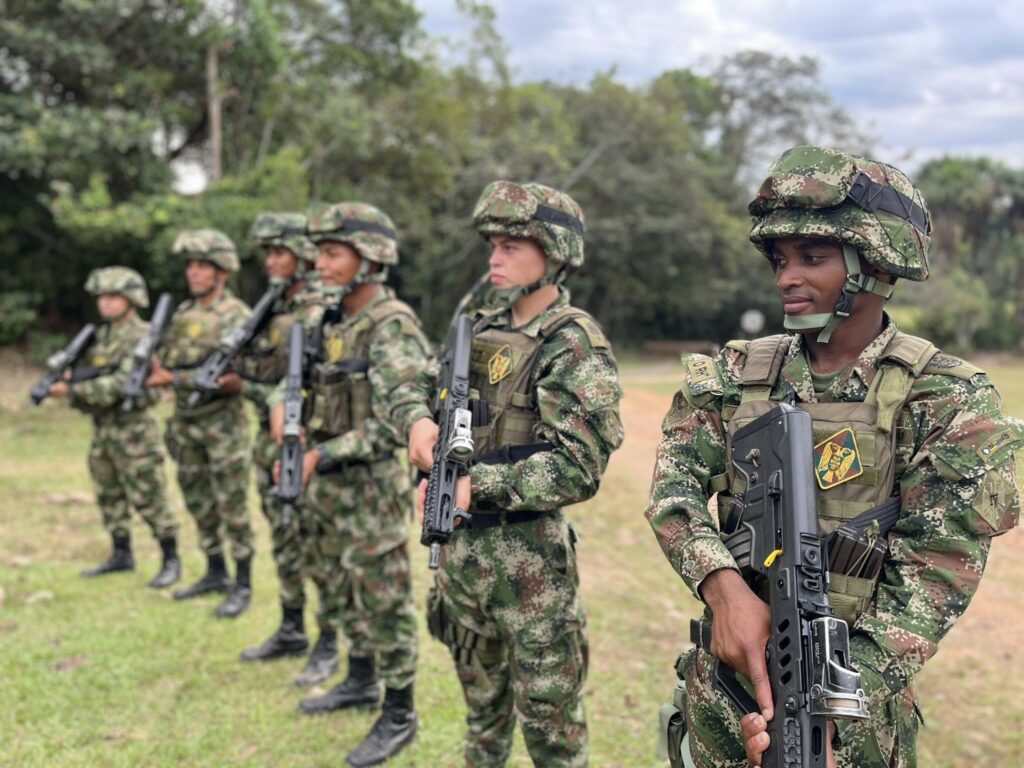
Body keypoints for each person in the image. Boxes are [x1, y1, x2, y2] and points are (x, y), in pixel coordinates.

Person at [646, 145, 1021, 768]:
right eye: (780, 258)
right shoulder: (733, 376)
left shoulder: (945, 399)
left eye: (813, 257)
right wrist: (724, 590)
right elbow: (673, 492)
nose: (787, 277)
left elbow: (934, 576)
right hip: (725, 693)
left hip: (851, 714)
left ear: (879, 263)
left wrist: (837, 707)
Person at [404, 181, 624, 767]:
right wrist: (418, 425)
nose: (494, 258)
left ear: (553, 253)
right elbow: (417, 390)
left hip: (531, 576)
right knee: (481, 724)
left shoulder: (572, 343)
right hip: (461, 562)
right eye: (493, 244)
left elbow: (580, 465)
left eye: (512, 246)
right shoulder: (473, 328)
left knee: (552, 733)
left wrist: (483, 485)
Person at [267, 202, 428, 767]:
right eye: (320, 252)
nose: (321, 263)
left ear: (372, 258)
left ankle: (400, 710)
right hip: (326, 484)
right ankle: (359, 679)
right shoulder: (326, 320)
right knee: (341, 588)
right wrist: (279, 413)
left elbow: (398, 423)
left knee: (383, 601)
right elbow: (295, 383)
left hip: (370, 489)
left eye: (334, 252)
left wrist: (322, 452)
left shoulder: (392, 326)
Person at [235, 212, 340, 687]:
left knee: (317, 546)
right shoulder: (273, 309)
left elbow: (309, 384)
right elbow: (263, 379)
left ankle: (329, 640)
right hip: (269, 440)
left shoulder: (320, 310)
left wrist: (255, 389)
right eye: (269, 253)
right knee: (283, 538)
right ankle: (293, 625)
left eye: (281, 252)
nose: (272, 261)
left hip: (308, 442)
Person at [146, 229, 255, 618]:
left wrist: (174, 380)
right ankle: (214, 571)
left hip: (223, 427)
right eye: (190, 265)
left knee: (232, 507)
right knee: (198, 502)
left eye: (202, 266)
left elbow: (238, 379)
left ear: (222, 271)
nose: (193, 272)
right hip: (185, 425)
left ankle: (242, 583)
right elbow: (169, 363)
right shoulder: (183, 314)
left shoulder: (236, 316)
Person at [48, 267, 180, 587]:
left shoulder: (144, 336)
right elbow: (90, 375)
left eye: (112, 297)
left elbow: (121, 383)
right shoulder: (100, 337)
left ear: (132, 299)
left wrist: (74, 391)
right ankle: (121, 553)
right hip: (104, 427)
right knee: (109, 493)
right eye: (101, 297)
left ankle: (171, 558)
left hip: (134, 428)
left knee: (149, 494)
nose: (104, 303)